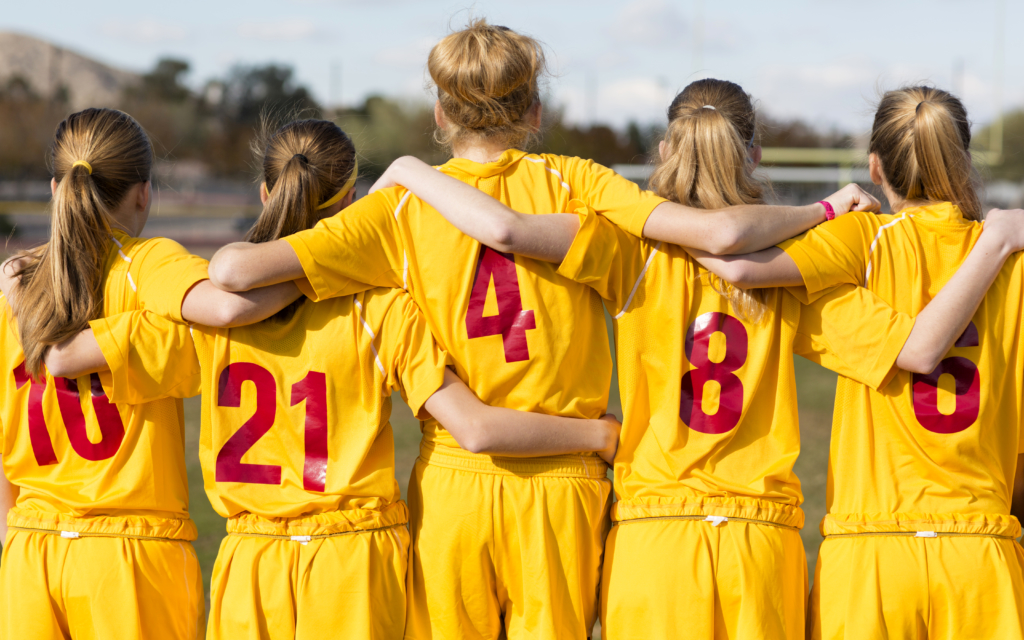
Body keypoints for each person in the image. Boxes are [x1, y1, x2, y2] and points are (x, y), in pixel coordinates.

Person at [206, 22, 879, 640]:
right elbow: (714, 234)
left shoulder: (400, 210)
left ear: (440, 114)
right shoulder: (577, 183)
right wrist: (825, 208)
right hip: (563, 483)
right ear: (535, 111)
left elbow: (237, 271)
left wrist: (398, 182)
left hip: (454, 486)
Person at [367, 78, 1024, 639]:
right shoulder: (794, 276)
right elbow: (912, 345)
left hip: (657, 536)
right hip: (762, 541)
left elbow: (503, 226)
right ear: (756, 154)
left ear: (665, 151)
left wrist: (410, 175)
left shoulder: (628, 250)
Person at [42, 118, 620, 640]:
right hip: (351, 563)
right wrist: (600, 434)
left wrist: (24, 281)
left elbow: (64, 356)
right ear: (352, 205)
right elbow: (472, 425)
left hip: (251, 562)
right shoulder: (383, 309)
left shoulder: (206, 319)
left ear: (266, 193)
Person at [688, 85, 1024, 639]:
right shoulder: (1010, 259)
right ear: (961, 159)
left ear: (875, 166)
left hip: (869, 559)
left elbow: (740, 261)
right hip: (981, 556)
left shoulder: (858, 242)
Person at [0, 108, 300, 640]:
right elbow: (227, 307)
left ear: (55, 188)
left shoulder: (17, 287)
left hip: (29, 552)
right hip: (131, 559)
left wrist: (11, 540)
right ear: (144, 192)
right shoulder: (150, 264)